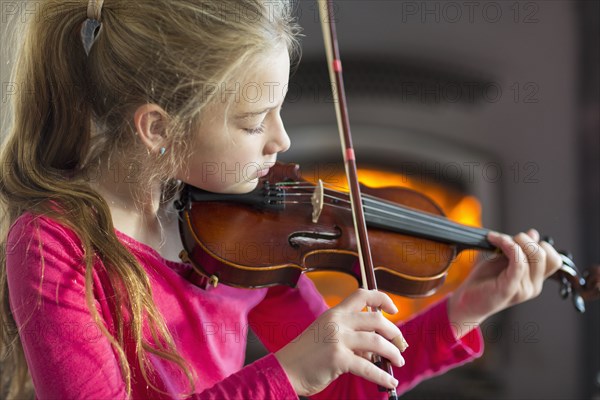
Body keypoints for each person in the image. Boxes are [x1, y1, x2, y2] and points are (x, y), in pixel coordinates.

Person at [0, 1, 563, 399]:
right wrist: (287, 372)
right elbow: (300, 373)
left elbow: (344, 383)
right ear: (157, 128)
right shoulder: (54, 245)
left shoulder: (243, 226)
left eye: (280, 110)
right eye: (252, 123)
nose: (283, 140)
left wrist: (466, 309)